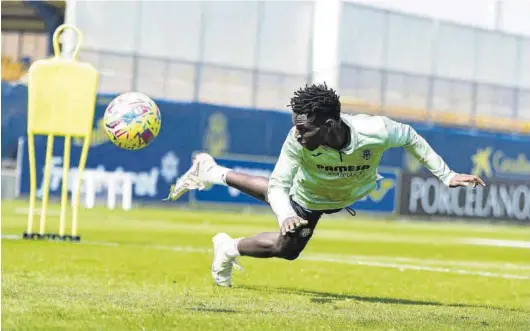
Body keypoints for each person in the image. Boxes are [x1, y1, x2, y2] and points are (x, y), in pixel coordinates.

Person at [166, 83, 486, 287]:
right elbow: (277, 186)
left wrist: (446, 175)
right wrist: (285, 216)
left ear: (329, 123)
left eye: (304, 128)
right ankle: (228, 246)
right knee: (285, 249)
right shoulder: (296, 142)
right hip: (308, 198)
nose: (298, 133)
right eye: (296, 126)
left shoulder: (375, 130)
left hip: (343, 194)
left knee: (282, 232)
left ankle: (211, 172)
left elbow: (410, 138)